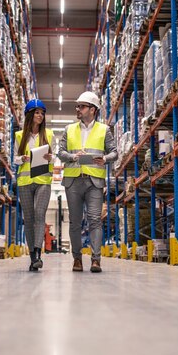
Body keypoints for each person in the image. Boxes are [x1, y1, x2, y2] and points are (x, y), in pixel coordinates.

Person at [58, 91, 117, 273]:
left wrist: (105, 159)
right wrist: (73, 156)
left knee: (94, 221)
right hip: (73, 181)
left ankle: (96, 260)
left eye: (82, 106)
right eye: (77, 106)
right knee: (75, 222)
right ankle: (77, 259)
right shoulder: (69, 130)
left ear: (92, 110)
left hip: (94, 182)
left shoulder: (104, 130)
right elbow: (60, 152)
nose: (78, 109)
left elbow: (114, 152)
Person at [14, 99, 54, 272]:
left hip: (43, 180)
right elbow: (14, 159)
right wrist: (22, 158)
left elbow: (54, 156)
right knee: (29, 220)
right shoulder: (19, 135)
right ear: (30, 115)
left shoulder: (50, 135)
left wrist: (50, 158)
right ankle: (32, 258)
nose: (40, 115)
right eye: (37, 112)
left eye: (42, 113)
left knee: (39, 214)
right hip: (24, 182)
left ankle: (38, 254)